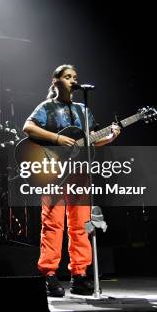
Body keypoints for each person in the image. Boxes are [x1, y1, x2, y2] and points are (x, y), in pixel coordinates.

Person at [22, 64, 120, 297]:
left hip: (79, 172)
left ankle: (79, 275)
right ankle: (49, 275)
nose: (73, 81)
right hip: (53, 172)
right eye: (67, 77)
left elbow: (91, 141)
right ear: (55, 81)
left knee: (80, 225)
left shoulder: (83, 109)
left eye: (75, 78)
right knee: (53, 224)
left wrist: (110, 136)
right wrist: (57, 138)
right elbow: (28, 127)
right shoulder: (46, 107)